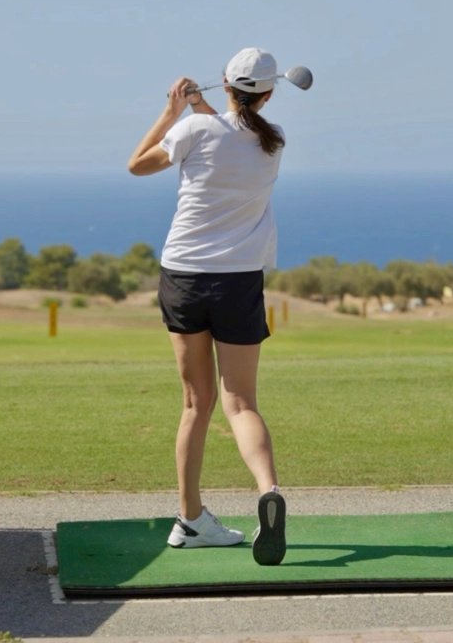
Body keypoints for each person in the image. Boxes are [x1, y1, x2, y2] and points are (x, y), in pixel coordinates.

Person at [127, 47, 286, 566]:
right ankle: (268, 491)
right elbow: (228, 136)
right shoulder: (274, 141)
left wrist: (173, 110)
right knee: (242, 403)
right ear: (268, 94)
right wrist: (201, 111)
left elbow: (137, 166)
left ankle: (191, 519)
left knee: (197, 405)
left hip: (184, 279)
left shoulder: (195, 130)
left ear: (225, 83)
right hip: (239, 283)